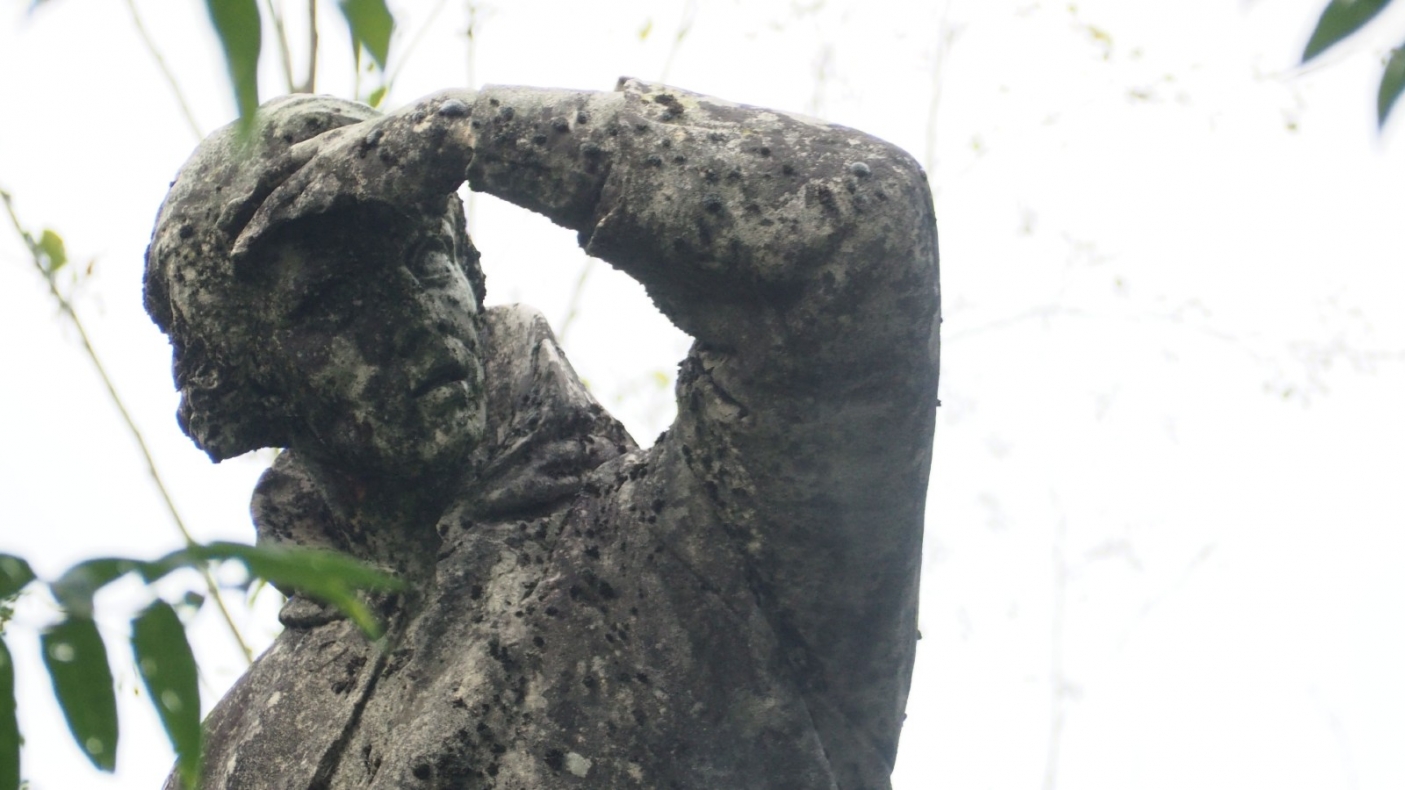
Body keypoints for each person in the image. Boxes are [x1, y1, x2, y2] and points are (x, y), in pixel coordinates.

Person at [144, 78, 940, 790]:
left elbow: (861, 226)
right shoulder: (231, 752)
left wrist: (473, 132)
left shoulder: (701, 545)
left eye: (424, 255)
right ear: (239, 388)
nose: (417, 317)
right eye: (336, 301)